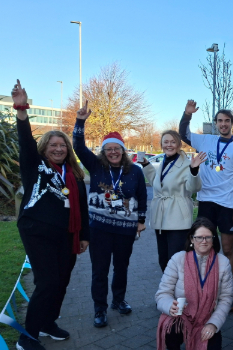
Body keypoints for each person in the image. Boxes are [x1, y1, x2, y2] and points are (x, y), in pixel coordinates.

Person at [12, 80, 90, 350]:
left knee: (62, 281)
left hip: (66, 235)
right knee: (47, 282)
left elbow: (83, 207)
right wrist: (22, 109)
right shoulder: (35, 168)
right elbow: (24, 140)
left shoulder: (74, 176)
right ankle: (27, 336)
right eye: (53, 145)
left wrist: (84, 237)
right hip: (38, 231)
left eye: (63, 146)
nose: (59, 149)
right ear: (44, 148)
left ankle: (47, 322)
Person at [72, 102, 147, 328]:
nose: (113, 152)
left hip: (125, 230)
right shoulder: (96, 166)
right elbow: (78, 146)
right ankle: (99, 309)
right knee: (99, 271)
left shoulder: (135, 171)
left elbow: (142, 196)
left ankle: (118, 300)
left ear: (123, 150)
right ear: (103, 152)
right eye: (109, 149)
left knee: (121, 267)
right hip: (100, 229)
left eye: (117, 148)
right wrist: (80, 122)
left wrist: (141, 221)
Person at [179, 100, 233, 311]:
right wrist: (187, 114)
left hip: (227, 204)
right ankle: (205, 291)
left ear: (232, 123)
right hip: (206, 202)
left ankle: (229, 294)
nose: (223, 124)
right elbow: (183, 134)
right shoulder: (206, 140)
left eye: (227, 121)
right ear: (215, 123)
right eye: (220, 121)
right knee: (205, 246)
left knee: (227, 249)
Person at [155, 217, 233, 350]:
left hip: (207, 318)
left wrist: (213, 324)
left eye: (208, 237)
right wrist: (169, 306)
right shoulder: (177, 259)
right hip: (182, 316)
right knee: (171, 331)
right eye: (199, 237)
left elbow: (226, 299)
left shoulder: (223, 262)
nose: (204, 241)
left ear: (213, 239)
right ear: (192, 239)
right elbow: (162, 294)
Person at [140, 130, 207, 272]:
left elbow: (194, 188)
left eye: (173, 142)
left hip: (178, 218)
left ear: (179, 145)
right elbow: (158, 184)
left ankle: (181, 292)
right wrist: (146, 165)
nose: (169, 145)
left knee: (176, 262)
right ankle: (168, 291)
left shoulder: (186, 164)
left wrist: (194, 171)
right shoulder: (164, 161)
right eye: (166, 142)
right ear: (161, 144)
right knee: (163, 260)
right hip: (161, 218)